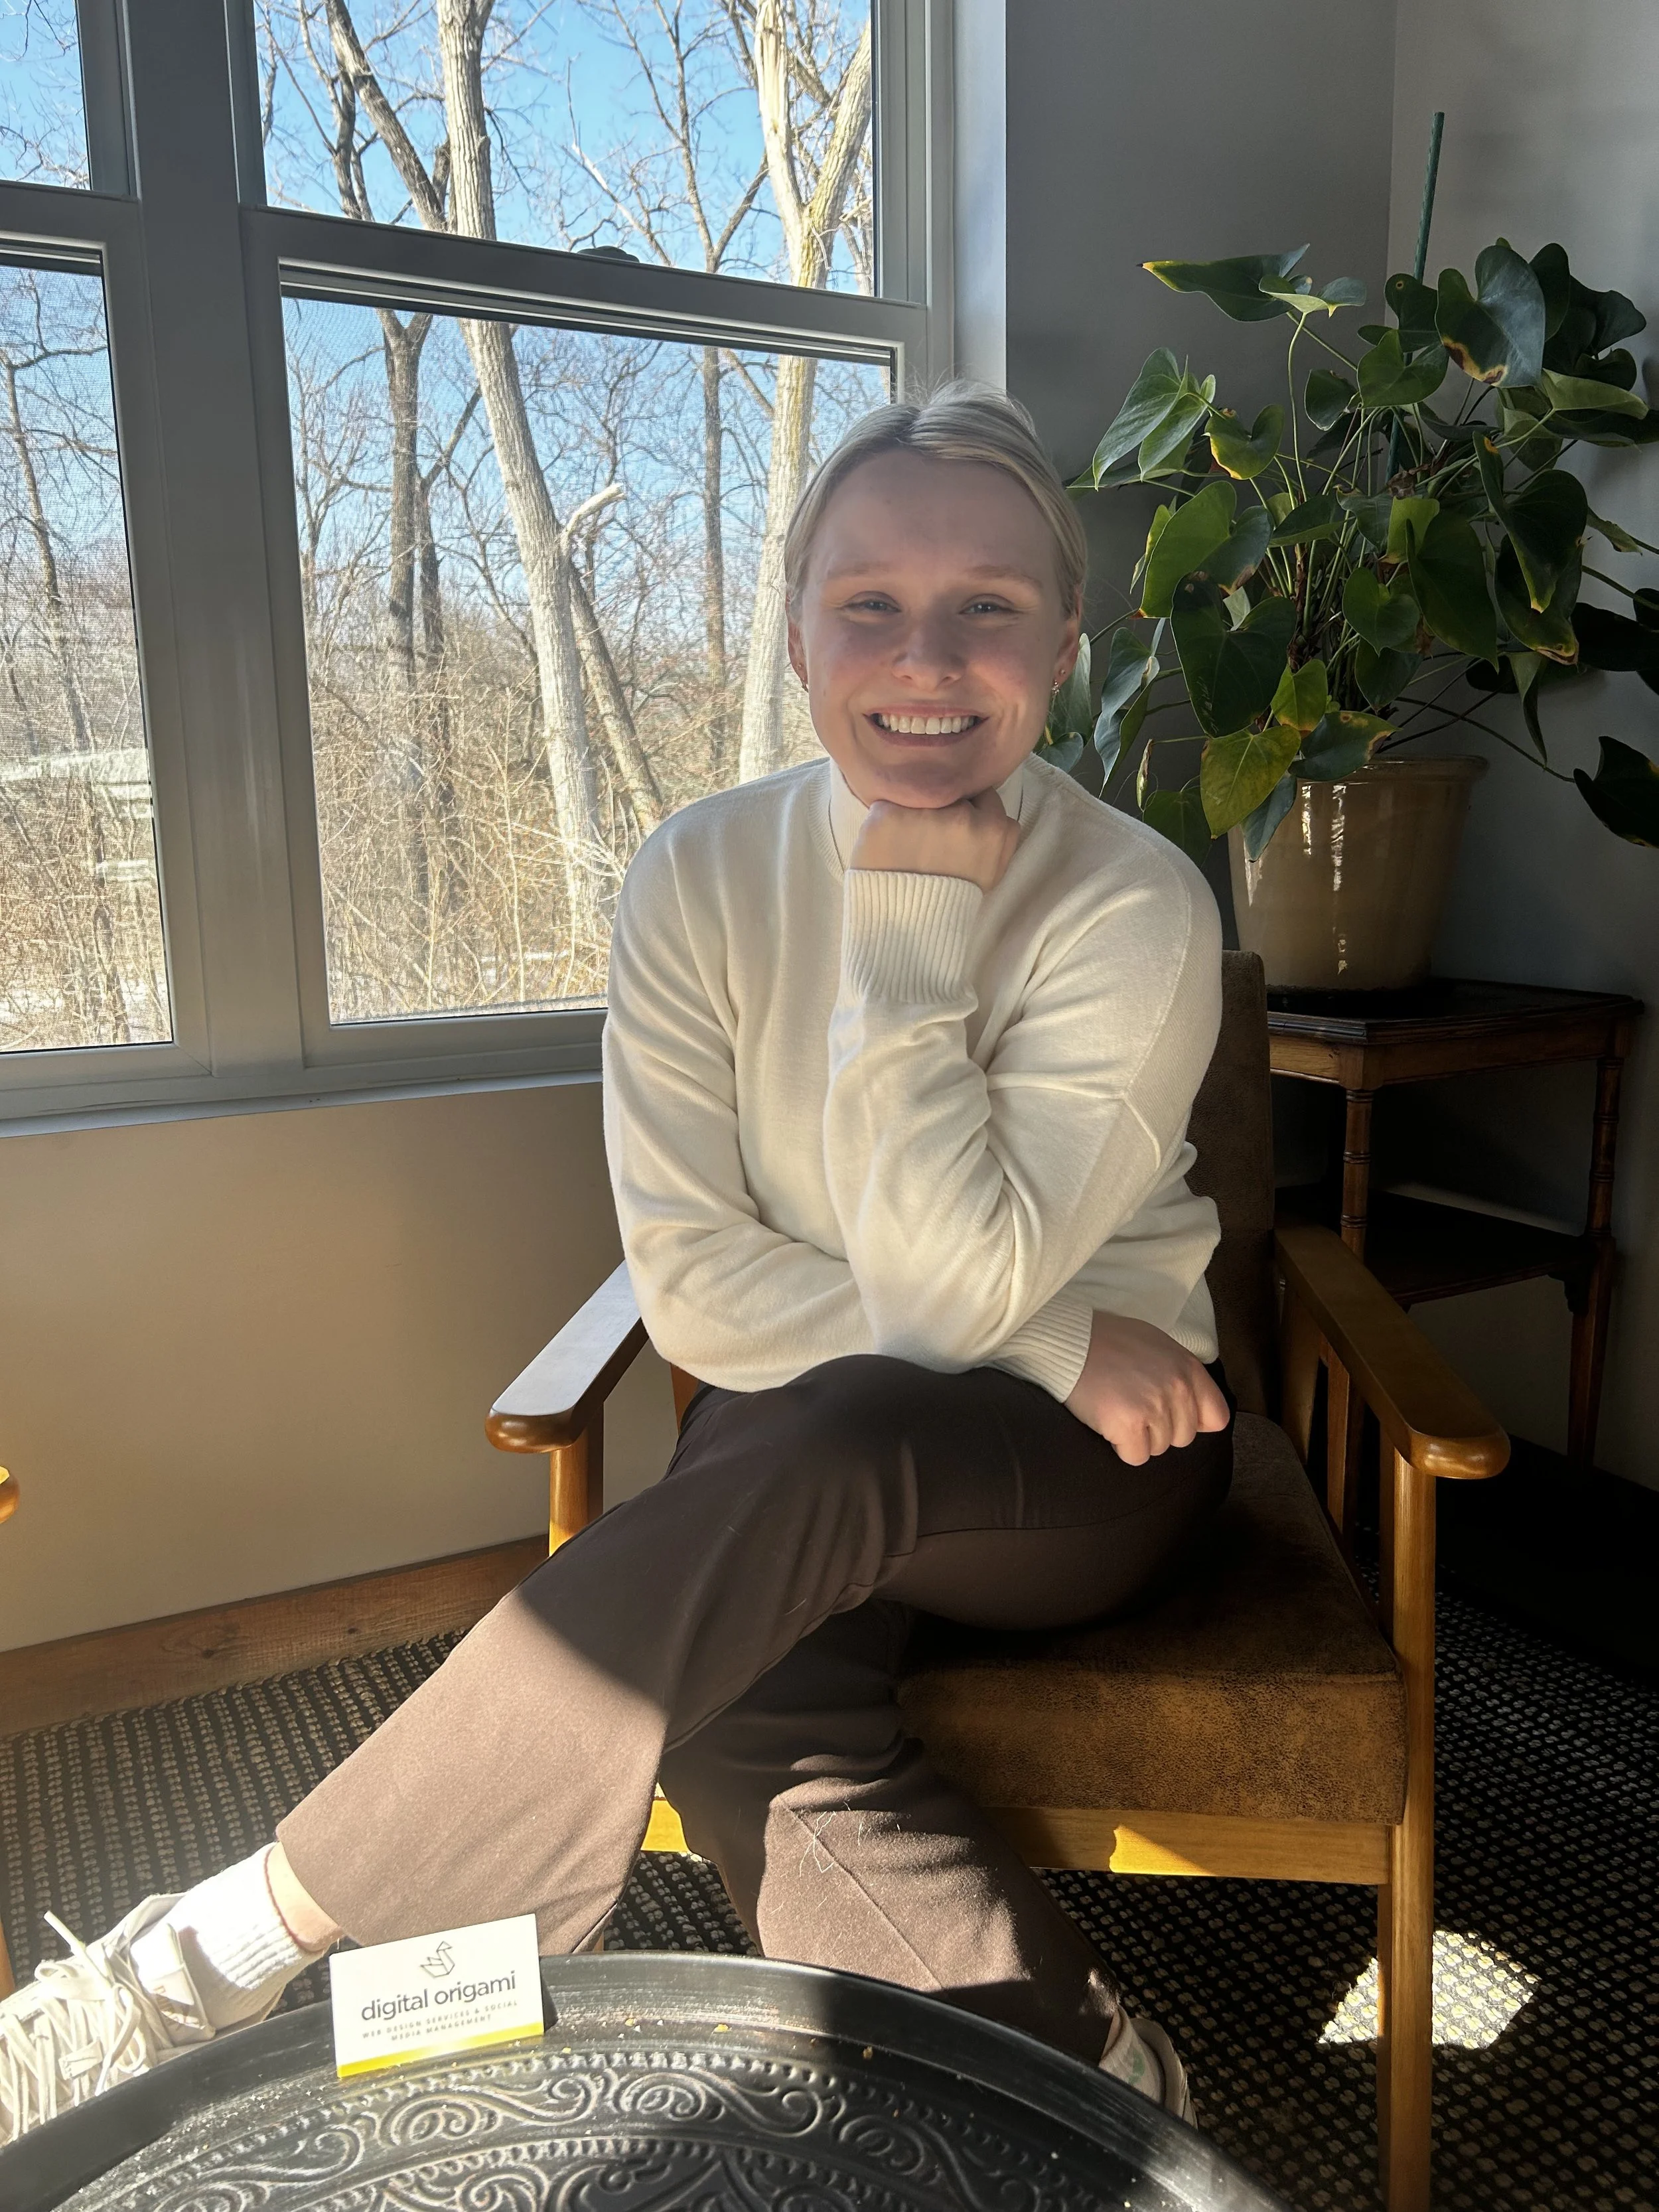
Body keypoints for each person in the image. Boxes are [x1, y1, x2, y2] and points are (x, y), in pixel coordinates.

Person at [0, 383, 1232, 2144]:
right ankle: (1074, 2069)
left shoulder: (1129, 903)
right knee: (738, 1701)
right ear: (795, 629)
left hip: (1086, 1482)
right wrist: (1055, 1334)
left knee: (826, 1431)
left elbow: (941, 1295)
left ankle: (188, 1972)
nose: (925, 654)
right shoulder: (695, 875)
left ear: (1065, 639)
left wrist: (907, 922)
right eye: (867, 602)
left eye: (989, 606)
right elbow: (702, 1292)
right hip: (885, 1435)